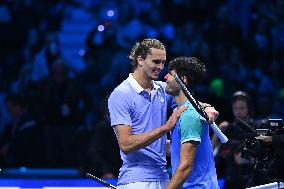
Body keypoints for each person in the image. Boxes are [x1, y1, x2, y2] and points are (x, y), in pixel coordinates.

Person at [108, 38, 218, 189]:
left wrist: (206, 108)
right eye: (156, 62)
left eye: (163, 62)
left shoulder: (162, 89)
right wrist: (165, 128)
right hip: (136, 180)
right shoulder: (121, 94)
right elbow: (126, 144)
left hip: (164, 177)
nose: (161, 68)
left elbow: (188, 103)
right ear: (140, 60)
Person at [164, 57, 219, 189]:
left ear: (183, 80)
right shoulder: (181, 111)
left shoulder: (190, 115)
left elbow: (185, 166)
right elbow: (177, 150)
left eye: (170, 74)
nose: (165, 77)